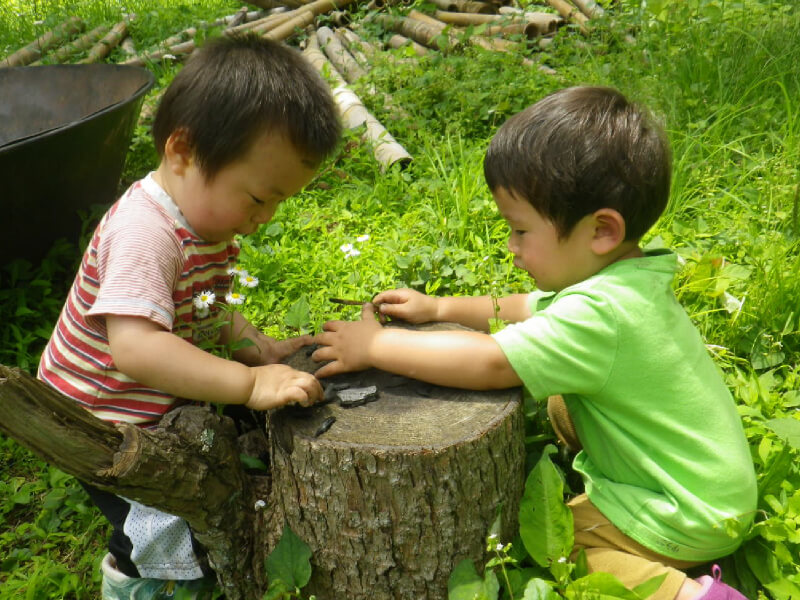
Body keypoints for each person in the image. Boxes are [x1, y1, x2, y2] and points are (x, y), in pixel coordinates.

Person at [313, 86, 757, 600]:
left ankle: (697, 596)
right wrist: (439, 308)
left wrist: (374, 348)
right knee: (564, 398)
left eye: (520, 230)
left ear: (602, 231)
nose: (511, 246)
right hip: (710, 481)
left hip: (687, 511)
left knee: (562, 542)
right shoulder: (624, 280)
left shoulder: (598, 314)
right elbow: (525, 308)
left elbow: (491, 362)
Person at [38, 34, 339, 599]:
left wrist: (257, 346)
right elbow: (136, 349)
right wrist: (248, 383)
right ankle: (136, 586)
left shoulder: (204, 221)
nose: (265, 218)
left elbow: (206, 304)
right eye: (258, 198)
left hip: (150, 401)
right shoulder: (144, 232)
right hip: (103, 421)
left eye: (278, 203)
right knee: (156, 527)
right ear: (183, 151)